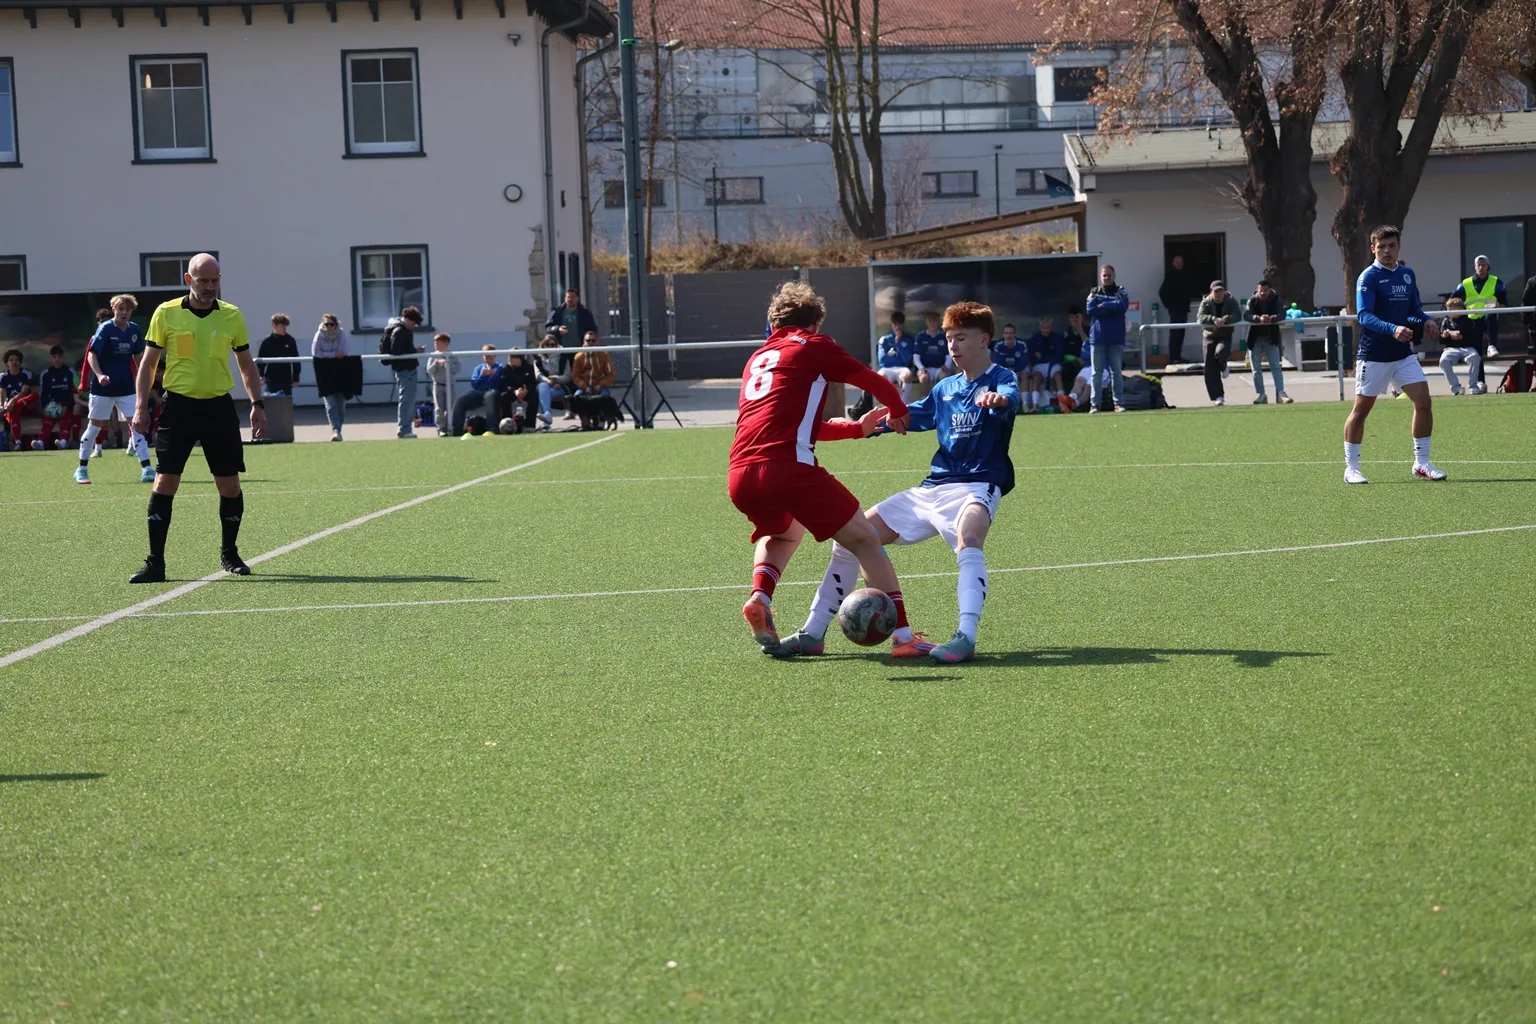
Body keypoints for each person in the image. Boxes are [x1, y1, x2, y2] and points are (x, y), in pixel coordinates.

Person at [781, 301, 1019, 665]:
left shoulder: (1002, 378)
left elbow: (1010, 397)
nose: (952, 345)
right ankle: (813, 632)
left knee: (969, 539)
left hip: (977, 486)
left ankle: (965, 637)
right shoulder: (945, 388)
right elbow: (908, 417)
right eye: (949, 338)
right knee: (852, 538)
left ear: (984, 339)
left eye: (961, 337)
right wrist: (869, 425)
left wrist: (998, 400)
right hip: (931, 488)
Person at [728, 281, 927, 659]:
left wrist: (854, 429)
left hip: (740, 474)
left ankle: (760, 598)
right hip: (787, 468)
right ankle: (904, 638)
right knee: (866, 539)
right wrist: (899, 410)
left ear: (773, 325)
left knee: (784, 533)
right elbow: (872, 379)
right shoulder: (815, 345)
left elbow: (799, 424)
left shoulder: (757, 359)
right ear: (815, 324)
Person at [128, 253, 267, 583]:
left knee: (229, 485)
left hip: (218, 408)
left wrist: (257, 404)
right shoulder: (166, 313)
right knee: (165, 482)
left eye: (215, 280)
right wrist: (140, 406)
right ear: (188, 280)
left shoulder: (231, 315)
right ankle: (155, 563)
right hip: (179, 407)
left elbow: (246, 364)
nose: (209, 286)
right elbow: (148, 364)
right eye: (203, 280)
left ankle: (230, 554)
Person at [1343, 225, 1444, 485]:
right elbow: (1364, 316)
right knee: (1361, 410)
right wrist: (1393, 329)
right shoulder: (1368, 277)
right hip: (1374, 355)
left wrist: (1426, 320)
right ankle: (1351, 468)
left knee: (1423, 402)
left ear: (1398, 246)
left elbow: (1413, 310)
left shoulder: (1407, 275)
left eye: (1392, 245)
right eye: (1382, 246)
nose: (1387, 250)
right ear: (1373, 248)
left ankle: (1421, 463)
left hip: (1402, 354)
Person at [75, 294, 154, 484]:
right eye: (120, 309)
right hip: (103, 388)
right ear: (113, 310)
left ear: (132, 311)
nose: (124, 313)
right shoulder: (105, 328)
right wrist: (99, 375)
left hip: (126, 387)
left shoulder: (134, 330)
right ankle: (82, 469)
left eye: (128, 310)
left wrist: (143, 379)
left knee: (136, 425)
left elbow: (138, 357)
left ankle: (147, 468)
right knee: (94, 427)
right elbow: (92, 355)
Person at [1451, 255, 1507, 391]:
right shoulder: (1465, 283)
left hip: (1489, 319)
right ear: (1475, 267)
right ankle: (1481, 382)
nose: (1481, 267)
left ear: (1488, 267)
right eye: (1479, 265)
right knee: (1476, 354)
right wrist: (1459, 313)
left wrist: (1496, 306)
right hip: (1472, 321)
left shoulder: (1496, 282)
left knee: (1491, 315)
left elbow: (1505, 304)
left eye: (1484, 265)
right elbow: (1452, 301)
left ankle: (1492, 345)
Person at [1086, 264, 1129, 412]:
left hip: (1116, 338)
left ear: (1114, 276)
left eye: (1109, 275)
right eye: (1104, 275)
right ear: (1100, 276)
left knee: (1116, 372)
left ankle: (1119, 403)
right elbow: (1090, 310)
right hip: (1098, 338)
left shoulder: (1121, 291)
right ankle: (1095, 404)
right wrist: (1112, 309)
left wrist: (1103, 305)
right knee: (1096, 373)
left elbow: (1123, 306)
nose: (1107, 278)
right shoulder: (1094, 292)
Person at [379, 305, 424, 439]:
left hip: (403, 369)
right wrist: (415, 351)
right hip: (405, 369)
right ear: (408, 319)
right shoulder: (400, 331)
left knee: (407, 400)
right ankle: (404, 429)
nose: (414, 326)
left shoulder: (398, 329)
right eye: (414, 323)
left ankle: (405, 428)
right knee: (406, 400)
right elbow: (397, 351)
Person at [1245, 279, 1292, 404]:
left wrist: (1272, 318)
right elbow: (1247, 315)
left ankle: (1280, 393)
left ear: (1270, 290)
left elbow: (1282, 314)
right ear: (1257, 290)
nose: (1263, 293)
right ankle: (1261, 395)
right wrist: (1258, 318)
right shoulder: (1252, 300)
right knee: (1256, 369)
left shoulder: (1276, 300)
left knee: (1276, 366)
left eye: (1265, 290)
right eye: (1261, 290)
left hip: (1271, 337)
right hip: (1254, 338)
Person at [1197, 280, 1241, 407]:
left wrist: (1224, 320)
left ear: (1224, 292)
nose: (1219, 294)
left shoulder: (1230, 300)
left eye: (1221, 291)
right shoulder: (1206, 302)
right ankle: (1218, 396)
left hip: (1225, 335)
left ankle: (1223, 365)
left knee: (1221, 352)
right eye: (1216, 291)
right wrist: (1213, 319)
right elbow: (1200, 317)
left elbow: (1237, 314)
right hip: (1209, 336)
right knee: (1209, 367)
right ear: (1211, 292)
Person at [312, 313, 351, 441]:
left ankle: (338, 429)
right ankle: (336, 431)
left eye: (331, 324)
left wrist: (327, 355)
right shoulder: (319, 335)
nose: (329, 327)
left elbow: (344, 352)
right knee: (330, 404)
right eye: (326, 324)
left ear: (336, 324)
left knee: (341, 404)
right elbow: (316, 353)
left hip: (340, 371)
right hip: (324, 372)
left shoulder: (342, 334)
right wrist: (333, 355)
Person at [451, 344, 502, 436]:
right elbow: (474, 384)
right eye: (486, 356)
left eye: (490, 356)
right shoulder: (478, 368)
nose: (488, 358)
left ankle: (492, 429)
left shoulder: (500, 367)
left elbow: (501, 384)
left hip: (492, 391)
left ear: (494, 356)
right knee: (460, 401)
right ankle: (456, 431)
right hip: (478, 392)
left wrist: (494, 375)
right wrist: (481, 376)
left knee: (490, 397)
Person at [36, 345, 80, 449]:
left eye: (59, 357)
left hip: (66, 405)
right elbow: (44, 393)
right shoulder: (46, 374)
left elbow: (74, 392)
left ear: (63, 358)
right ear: (51, 358)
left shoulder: (70, 372)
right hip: (51, 404)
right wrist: (45, 408)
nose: (57, 359)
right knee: (47, 421)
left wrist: (66, 406)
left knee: (66, 419)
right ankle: (40, 442)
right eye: (54, 357)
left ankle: (63, 441)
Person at [1437, 297, 1483, 396]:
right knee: (1444, 360)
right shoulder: (1445, 321)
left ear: (1460, 309)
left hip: (1467, 347)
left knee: (1475, 357)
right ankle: (1456, 388)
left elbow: (1474, 338)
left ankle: (1473, 386)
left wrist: (1462, 337)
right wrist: (1444, 336)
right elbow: (1440, 340)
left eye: (1451, 309)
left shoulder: (1469, 321)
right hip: (1451, 348)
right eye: (1447, 309)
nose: (1448, 312)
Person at [1158, 254, 1198, 364]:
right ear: (1173, 263)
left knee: (1181, 333)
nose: (1179, 264)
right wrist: (1169, 305)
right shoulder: (1170, 276)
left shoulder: (1184, 275)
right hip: (1175, 309)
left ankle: (1178, 356)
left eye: (1181, 263)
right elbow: (1162, 292)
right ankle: (1173, 357)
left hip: (1183, 309)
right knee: (1175, 333)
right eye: (1177, 263)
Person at [1022, 317, 1066, 413]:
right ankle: (1035, 405)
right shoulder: (1034, 339)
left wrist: (1043, 357)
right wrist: (1047, 357)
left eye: (1048, 328)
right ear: (1040, 328)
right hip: (1039, 366)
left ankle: (1062, 405)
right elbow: (1033, 359)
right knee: (1036, 377)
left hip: (1054, 365)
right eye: (1043, 328)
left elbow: (1059, 356)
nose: (1046, 330)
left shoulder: (1056, 337)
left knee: (1058, 377)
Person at [425, 332, 462, 436]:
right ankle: (441, 429)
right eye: (435, 343)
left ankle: (450, 427)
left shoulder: (453, 356)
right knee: (439, 409)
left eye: (438, 343)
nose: (436, 346)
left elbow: (457, 369)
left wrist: (447, 364)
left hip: (450, 385)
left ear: (446, 344)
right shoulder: (433, 355)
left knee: (450, 407)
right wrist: (435, 365)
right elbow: (429, 370)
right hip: (438, 385)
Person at [256, 314, 300, 397]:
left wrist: (296, 378)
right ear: (274, 326)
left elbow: (296, 361)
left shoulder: (290, 340)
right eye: (282, 326)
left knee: (286, 403)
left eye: (285, 326)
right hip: (271, 380)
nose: (284, 328)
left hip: (286, 380)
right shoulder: (267, 342)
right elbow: (261, 361)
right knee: (270, 402)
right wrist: (260, 375)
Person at [1, 349, 37, 450]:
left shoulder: (26, 374)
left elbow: (23, 392)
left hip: (26, 406)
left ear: (20, 362)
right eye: (11, 360)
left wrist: (13, 401)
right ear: (7, 363)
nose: (14, 362)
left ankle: (17, 442)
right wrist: (2, 406)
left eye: (17, 360)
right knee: (13, 410)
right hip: (12, 409)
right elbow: (2, 394)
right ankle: (17, 442)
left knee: (34, 395)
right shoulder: (3, 376)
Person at [876, 311, 915, 402]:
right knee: (880, 377)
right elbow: (883, 360)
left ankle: (904, 404)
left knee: (907, 376)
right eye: (895, 324)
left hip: (902, 368)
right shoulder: (884, 339)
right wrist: (897, 358)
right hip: (886, 368)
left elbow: (907, 360)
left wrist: (898, 343)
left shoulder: (908, 339)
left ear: (903, 325)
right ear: (892, 324)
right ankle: (887, 405)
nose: (897, 327)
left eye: (900, 324)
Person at [911, 310, 951, 399]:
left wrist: (946, 365)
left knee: (944, 377)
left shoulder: (944, 336)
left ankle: (943, 401)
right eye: (930, 321)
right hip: (925, 368)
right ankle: (925, 401)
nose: (932, 323)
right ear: (926, 322)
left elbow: (948, 354)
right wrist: (921, 368)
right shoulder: (920, 337)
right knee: (923, 378)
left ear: (938, 322)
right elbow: (916, 356)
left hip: (939, 368)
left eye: (935, 321)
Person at [534, 333, 569, 429]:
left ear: (556, 345)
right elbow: (538, 375)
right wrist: (548, 381)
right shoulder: (538, 358)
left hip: (559, 387)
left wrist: (557, 380)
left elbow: (567, 376)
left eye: (552, 345)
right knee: (543, 387)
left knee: (544, 393)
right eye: (547, 344)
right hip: (544, 385)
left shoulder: (562, 357)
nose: (550, 347)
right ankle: (547, 415)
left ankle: (546, 420)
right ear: (543, 345)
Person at [497, 353, 538, 432]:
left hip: (526, 391)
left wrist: (526, 390)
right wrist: (514, 391)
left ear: (519, 359)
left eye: (511, 357)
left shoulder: (529, 367)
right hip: (513, 392)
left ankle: (529, 425)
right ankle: (507, 423)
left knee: (534, 396)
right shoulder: (507, 369)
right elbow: (505, 384)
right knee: (504, 396)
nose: (509, 359)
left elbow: (532, 382)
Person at [571, 331, 615, 398]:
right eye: (588, 341)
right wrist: (585, 387)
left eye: (593, 341)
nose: (591, 343)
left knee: (605, 398)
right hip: (584, 387)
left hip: (600, 387)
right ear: (584, 342)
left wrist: (600, 385)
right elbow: (575, 376)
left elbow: (611, 374)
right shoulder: (579, 356)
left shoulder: (604, 355)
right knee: (576, 397)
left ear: (597, 342)